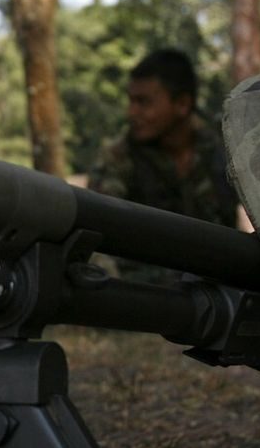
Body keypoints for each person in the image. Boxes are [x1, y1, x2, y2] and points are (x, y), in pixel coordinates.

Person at [88, 49, 239, 280]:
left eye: (143, 102)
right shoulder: (119, 158)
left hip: (221, 289)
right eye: (131, 101)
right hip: (148, 298)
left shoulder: (224, 150)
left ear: (182, 104)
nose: (131, 112)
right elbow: (96, 234)